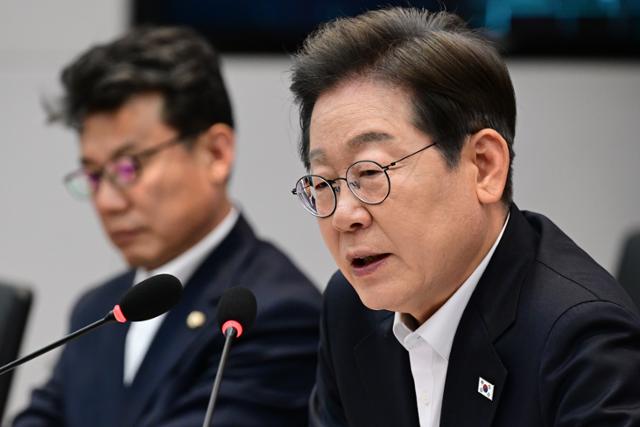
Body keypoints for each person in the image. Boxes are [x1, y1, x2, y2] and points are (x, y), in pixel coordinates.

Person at [289, 7, 640, 427]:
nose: (344, 215)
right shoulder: (350, 310)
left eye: (370, 173)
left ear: (484, 166)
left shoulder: (580, 340)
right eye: (324, 182)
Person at [13, 27, 321, 427]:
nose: (107, 201)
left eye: (129, 166)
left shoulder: (273, 313)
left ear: (216, 153)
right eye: (93, 175)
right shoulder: (97, 310)